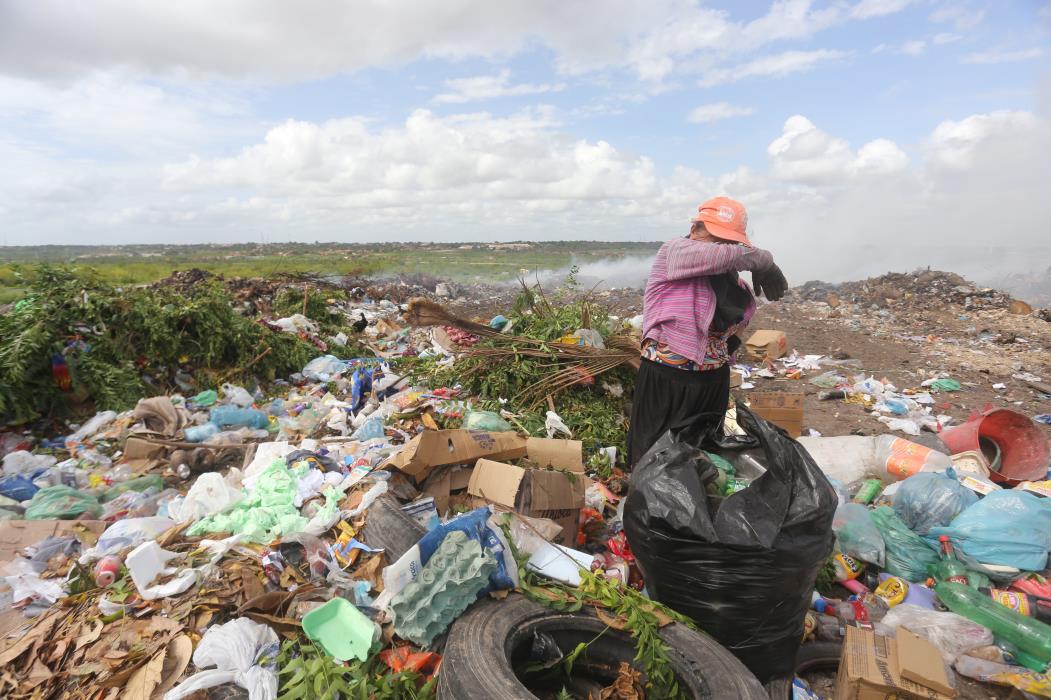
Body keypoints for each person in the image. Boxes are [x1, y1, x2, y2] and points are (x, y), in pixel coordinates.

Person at [626, 196, 786, 467]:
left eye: (729, 240)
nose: (724, 245)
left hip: (712, 381)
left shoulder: (729, 276)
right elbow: (724, 256)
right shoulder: (675, 252)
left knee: (703, 460)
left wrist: (727, 343)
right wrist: (764, 261)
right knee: (653, 458)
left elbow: (735, 322)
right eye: (716, 236)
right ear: (696, 229)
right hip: (669, 379)